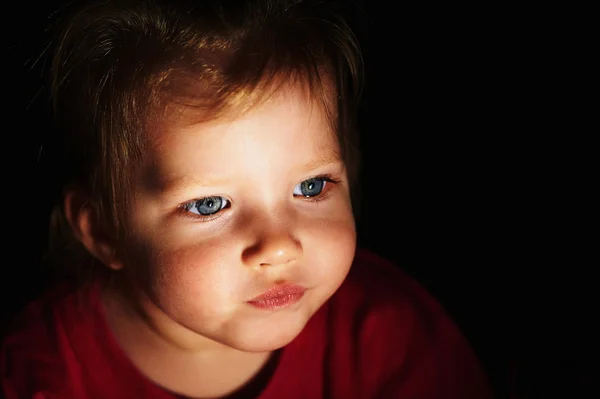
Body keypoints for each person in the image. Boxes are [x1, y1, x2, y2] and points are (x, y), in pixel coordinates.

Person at [1, 0, 493, 398]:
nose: (280, 247)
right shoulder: (44, 371)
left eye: (311, 187)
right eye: (210, 204)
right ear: (103, 231)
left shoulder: (391, 338)